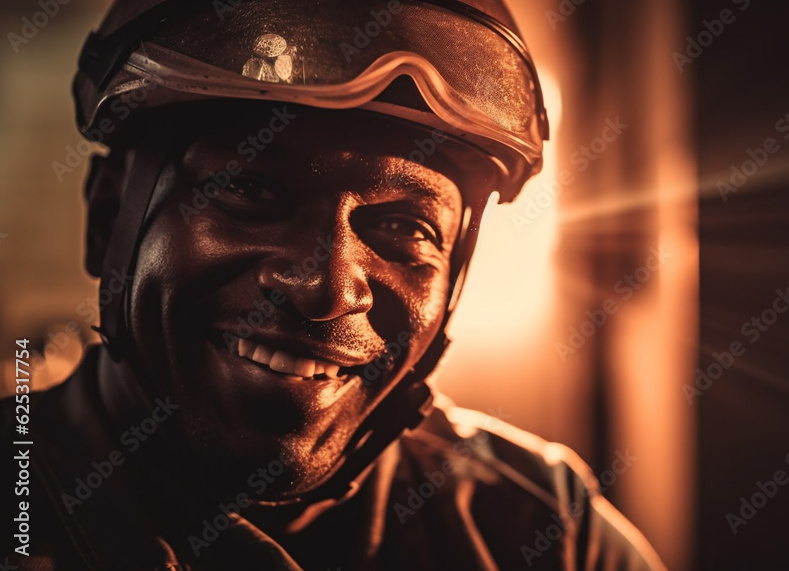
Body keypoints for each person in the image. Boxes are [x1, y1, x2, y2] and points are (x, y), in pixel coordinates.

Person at [2, 0, 665, 568]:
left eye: (407, 227)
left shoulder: (548, 536)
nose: (326, 287)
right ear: (108, 218)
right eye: (253, 190)